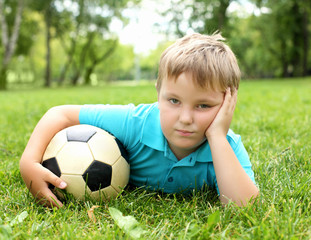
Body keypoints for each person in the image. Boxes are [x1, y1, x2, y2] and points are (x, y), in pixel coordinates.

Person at [20, 33, 259, 208]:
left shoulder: (228, 147)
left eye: (203, 105)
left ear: (229, 103)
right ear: (158, 92)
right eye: (174, 101)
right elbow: (59, 114)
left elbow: (243, 207)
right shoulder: (136, 123)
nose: (185, 119)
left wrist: (217, 136)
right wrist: (28, 163)